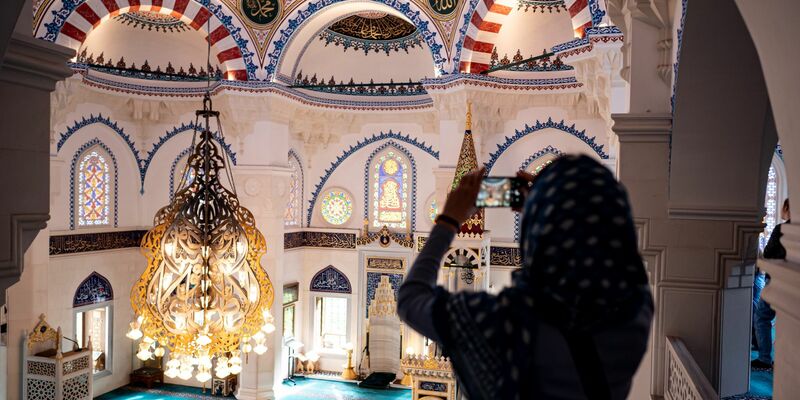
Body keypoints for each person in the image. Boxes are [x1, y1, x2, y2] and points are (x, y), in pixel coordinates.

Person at [398, 155, 653, 400]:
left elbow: (411, 298)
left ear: (538, 231)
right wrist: (548, 203)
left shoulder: (507, 322)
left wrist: (448, 220)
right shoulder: (635, 311)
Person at [752, 198, 790, 369]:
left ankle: (765, 358)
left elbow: (767, 253)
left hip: (776, 281)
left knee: (762, 317)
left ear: (788, 208)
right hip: (791, 284)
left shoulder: (782, 229)